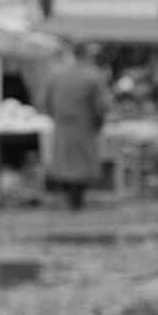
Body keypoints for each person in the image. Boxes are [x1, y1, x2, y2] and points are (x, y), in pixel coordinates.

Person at [43, 42, 107, 209]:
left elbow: (44, 102)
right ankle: (76, 197)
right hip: (84, 125)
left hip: (63, 124)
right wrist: (98, 123)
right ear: (86, 55)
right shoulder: (93, 76)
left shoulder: (58, 75)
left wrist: (56, 116)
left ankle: (70, 194)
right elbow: (101, 106)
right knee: (82, 164)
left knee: (65, 162)